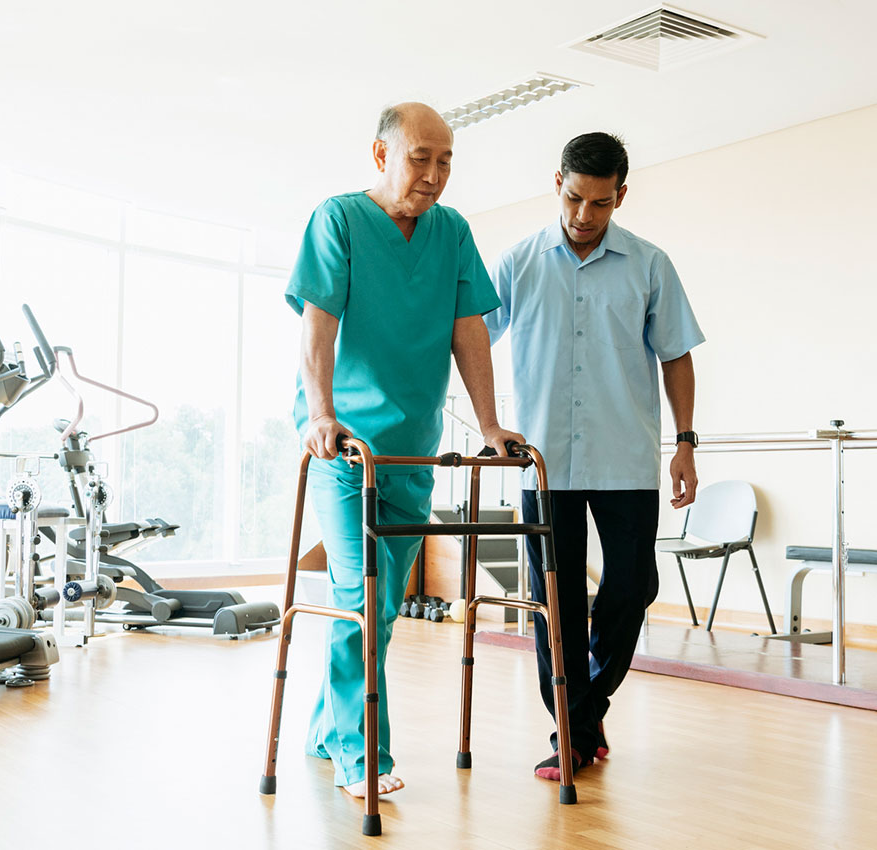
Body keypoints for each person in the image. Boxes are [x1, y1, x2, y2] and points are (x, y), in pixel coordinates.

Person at [287, 102, 523, 799]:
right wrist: (321, 413)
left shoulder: (451, 232)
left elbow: (469, 330)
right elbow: (317, 327)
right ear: (381, 154)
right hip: (345, 448)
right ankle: (364, 758)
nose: (435, 173)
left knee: (380, 605)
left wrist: (488, 425)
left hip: (413, 453)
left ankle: (326, 731)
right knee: (362, 592)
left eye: (446, 160)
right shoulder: (338, 219)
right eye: (421, 156)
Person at [483, 131, 704, 781]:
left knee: (632, 590)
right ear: (557, 183)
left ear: (621, 197)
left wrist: (686, 442)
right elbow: (470, 339)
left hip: (625, 457)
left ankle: (587, 705)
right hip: (542, 464)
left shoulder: (649, 264)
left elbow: (677, 355)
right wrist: (491, 424)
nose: (584, 215)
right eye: (576, 198)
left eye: (601, 204)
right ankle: (573, 733)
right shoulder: (518, 262)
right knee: (557, 602)